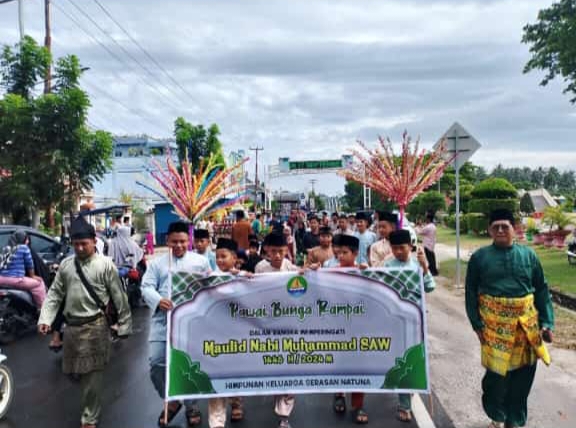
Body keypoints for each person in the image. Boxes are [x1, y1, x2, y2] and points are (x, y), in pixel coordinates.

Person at [38, 216, 132, 428]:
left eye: (84, 244)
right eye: (76, 244)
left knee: (91, 375)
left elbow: (119, 297)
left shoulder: (105, 265)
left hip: (96, 327)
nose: (80, 248)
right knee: (73, 372)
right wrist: (46, 318)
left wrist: (124, 325)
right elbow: (54, 294)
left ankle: (89, 417)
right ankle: (91, 396)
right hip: (71, 329)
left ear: (93, 241)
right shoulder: (66, 265)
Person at [465, 209, 554, 428]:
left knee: (524, 376)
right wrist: (477, 325)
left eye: (505, 226)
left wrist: (547, 323)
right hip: (494, 327)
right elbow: (470, 292)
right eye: (496, 227)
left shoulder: (529, 256)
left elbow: (541, 290)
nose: (501, 230)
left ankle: (514, 420)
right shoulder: (479, 258)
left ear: (515, 229)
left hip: (526, 327)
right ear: (489, 230)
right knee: (496, 377)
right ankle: (497, 414)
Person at [141, 221, 211, 428]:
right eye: (174, 242)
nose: (179, 246)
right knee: (156, 363)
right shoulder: (157, 263)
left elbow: (212, 284)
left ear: (188, 241)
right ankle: (171, 400)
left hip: (190, 322)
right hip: (163, 321)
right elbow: (146, 286)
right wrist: (157, 300)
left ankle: (191, 406)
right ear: (167, 241)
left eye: (182, 241)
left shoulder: (200, 262)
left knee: (187, 365)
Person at [383, 229, 435, 423]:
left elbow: (430, 287)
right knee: (402, 360)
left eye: (401, 248)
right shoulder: (388, 266)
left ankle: (407, 398)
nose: (398, 252)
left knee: (414, 360)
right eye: (394, 248)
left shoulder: (417, 265)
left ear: (410, 247)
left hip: (416, 321)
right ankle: (403, 402)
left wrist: (425, 268)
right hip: (396, 320)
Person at [255, 232, 299, 428]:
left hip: (290, 325)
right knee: (274, 366)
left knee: (290, 366)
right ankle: (277, 398)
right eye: (273, 252)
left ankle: (284, 415)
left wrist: (313, 272)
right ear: (266, 251)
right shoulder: (260, 268)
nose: (278, 256)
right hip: (268, 325)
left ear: (286, 250)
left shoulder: (292, 268)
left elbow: (307, 284)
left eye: (281, 251)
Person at [331, 234, 369, 424]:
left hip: (358, 328)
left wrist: (369, 273)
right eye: (338, 253)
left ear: (355, 253)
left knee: (358, 366)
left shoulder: (364, 272)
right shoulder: (332, 272)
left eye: (345, 253)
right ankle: (339, 394)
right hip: (338, 327)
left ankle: (358, 404)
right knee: (339, 363)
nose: (341, 257)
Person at [209, 238, 246, 428]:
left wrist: (242, 275)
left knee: (235, 372)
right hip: (215, 335)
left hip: (237, 333)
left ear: (234, 258)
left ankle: (237, 402)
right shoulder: (209, 277)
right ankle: (217, 421)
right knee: (215, 376)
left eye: (224, 256)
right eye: (217, 257)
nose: (220, 260)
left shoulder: (241, 276)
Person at [0, 229, 46, 309]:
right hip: (16, 280)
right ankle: (42, 310)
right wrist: (33, 276)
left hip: (2, 279)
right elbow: (29, 264)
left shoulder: (5, 248)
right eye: (26, 239)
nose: (28, 241)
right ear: (22, 239)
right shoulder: (24, 248)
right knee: (39, 283)